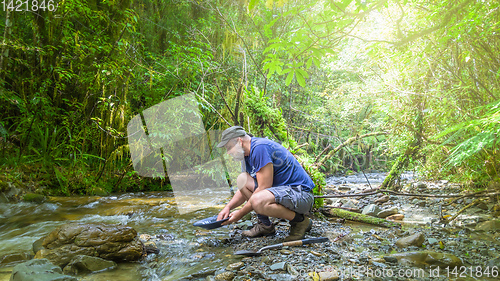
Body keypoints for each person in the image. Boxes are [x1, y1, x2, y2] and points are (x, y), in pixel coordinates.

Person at [216, 125, 315, 241]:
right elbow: (244, 190)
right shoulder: (247, 155)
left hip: (302, 195)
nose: (228, 153)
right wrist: (228, 207)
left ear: (239, 141)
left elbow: (263, 187)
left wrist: (240, 213)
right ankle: (265, 225)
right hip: (285, 194)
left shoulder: (260, 148)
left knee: (258, 200)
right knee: (242, 179)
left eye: (229, 148)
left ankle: (300, 222)